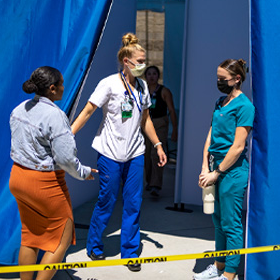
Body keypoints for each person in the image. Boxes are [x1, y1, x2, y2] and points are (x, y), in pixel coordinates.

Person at [71, 33, 167, 272]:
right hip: (109, 153)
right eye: (139, 61)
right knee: (107, 199)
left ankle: (130, 251)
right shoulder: (109, 83)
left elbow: (145, 120)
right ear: (126, 61)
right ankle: (94, 244)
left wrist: (157, 145)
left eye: (145, 61)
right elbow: (88, 111)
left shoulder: (143, 86)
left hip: (135, 152)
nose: (143, 65)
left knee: (134, 202)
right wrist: (69, 133)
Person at [9, 66, 97, 280]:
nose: (64, 88)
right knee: (61, 239)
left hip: (18, 177)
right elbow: (65, 158)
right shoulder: (55, 116)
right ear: (52, 88)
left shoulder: (19, 109)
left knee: (29, 237)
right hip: (45, 183)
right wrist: (84, 173)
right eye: (61, 84)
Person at [194, 59, 255, 280]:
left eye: (223, 79)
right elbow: (210, 135)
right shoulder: (221, 102)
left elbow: (238, 146)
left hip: (232, 172)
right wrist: (204, 165)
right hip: (214, 168)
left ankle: (228, 275)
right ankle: (218, 266)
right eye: (218, 78)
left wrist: (217, 172)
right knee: (218, 220)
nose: (219, 82)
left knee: (231, 224)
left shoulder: (245, 106)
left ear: (237, 79)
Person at [143, 65, 178, 197]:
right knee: (146, 154)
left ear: (158, 76)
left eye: (154, 74)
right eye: (149, 74)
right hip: (145, 123)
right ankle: (149, 180)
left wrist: (175, 129)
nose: (152, 76)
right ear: (145, 76)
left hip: (159, 124)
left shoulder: (164, 91)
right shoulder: (142, 90)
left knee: (156, 153)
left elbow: (172, 110)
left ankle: (156, 185)